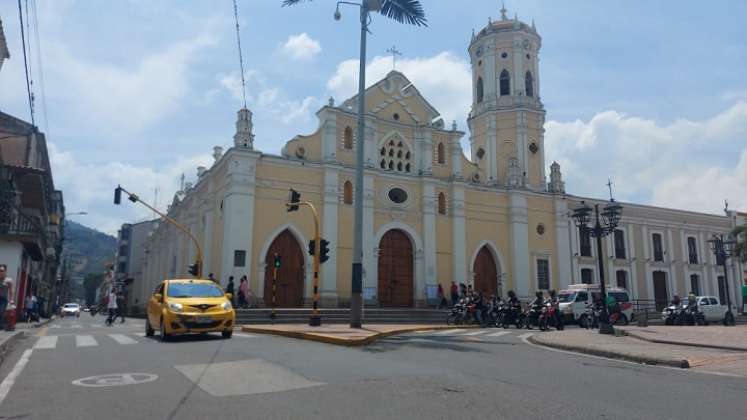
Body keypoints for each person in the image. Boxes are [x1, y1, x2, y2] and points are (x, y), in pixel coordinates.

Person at [0, 264, 15, 330]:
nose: (0, 272)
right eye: (0, 270)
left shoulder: (8, 280)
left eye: (2, 270)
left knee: (1, 312)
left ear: (5, 271)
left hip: (3, 299)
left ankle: (1, 325)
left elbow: (11, 291)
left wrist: (11, 300)